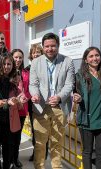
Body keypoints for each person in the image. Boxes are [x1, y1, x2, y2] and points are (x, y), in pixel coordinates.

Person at [29, 32, 75, 169]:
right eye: (47, 46)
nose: (50, 49)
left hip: (59, 107)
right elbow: (33, 84)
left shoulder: (68, 61)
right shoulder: (36, 62)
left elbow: (70, 84)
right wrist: (35, 94)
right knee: (40, 142)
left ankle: (56, 167)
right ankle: (39, 166)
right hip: (40, 107)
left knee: (57, 142)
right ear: (43, 47)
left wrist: (59, 96)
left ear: (58, 46)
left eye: (53, 46)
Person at [73, 47, 101, 169]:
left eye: (97, 55)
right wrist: (77, 98)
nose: (94, 58)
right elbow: (75, 94)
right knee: (87, 152)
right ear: (85, 60)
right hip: (86, 120)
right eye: (91, 56)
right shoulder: (79, 76)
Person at [0, 55, 22, 169]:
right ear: (0, 65)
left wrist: (19, 101)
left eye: (9, 64)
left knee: (8, 145)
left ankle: (6, 166)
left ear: (12, 66)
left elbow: (19, 100)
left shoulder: (15, 80)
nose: (6, 66)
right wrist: (6, 102)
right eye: (4, 64)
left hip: (9, 119)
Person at [11, 49, 30, 168]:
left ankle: (15, 158)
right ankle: (9, 158)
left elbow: (29, 88)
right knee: (9, 136)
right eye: (16, 57)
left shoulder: (26, 72)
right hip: (11, 108)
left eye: (20, 58)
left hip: (22, 108)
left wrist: (26, 97)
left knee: (17, 136)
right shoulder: (7, 71)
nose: (18, 60)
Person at [27, 44, 46, 161]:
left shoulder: (46, 67)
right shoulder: (27, 69)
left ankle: (42, 154)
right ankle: (36, 152)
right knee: (35, 129)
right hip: (31, 102)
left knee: (44, 129)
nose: (36, 54)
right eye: (34, 52)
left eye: (38, 52)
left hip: (43, 102)